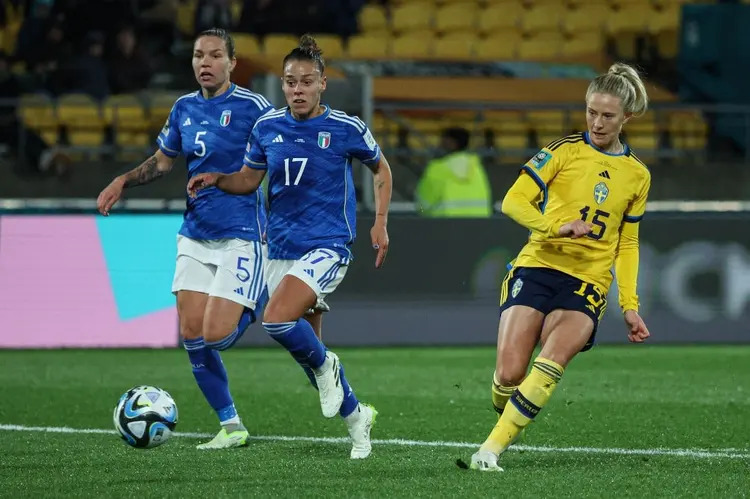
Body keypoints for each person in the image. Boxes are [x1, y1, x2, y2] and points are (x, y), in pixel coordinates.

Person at [187, 34, 393, 459]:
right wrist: (219, 179)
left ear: (322, 85)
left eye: (306, 82)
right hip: (279, 249)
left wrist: (381, 222)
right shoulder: (268, 127)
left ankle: (329, 367)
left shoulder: (345, 128)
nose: (297, 90)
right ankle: (358, 420)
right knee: (309, 361)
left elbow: (381, 168)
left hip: (327, 245)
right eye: (289, 83)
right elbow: (249, 179)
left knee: (278, 320)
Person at [466, 63, 652, 471]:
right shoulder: (563, 151)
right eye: (591, 112)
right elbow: (513, 201)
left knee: (551, 361)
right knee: (509, 376)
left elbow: (628, 241)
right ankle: (511, 411)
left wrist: (630, 303)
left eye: (607, 115)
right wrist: (556, 226)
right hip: (538, 265)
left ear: (627, 118)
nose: (597, 122)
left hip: (590, 281)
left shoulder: (638, 175)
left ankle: (489, 451)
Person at [96, 28, 273, 450]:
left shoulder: (254, 107)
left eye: (214, 55)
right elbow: (162, 161)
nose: (204, 63)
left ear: (232, 62)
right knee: (191, 332)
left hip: (242, 234)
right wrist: (123, 180)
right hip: (195, 233)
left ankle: (259, 301)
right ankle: (232, 426)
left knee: (216, 335)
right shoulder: (183, 108)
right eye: (198, 55)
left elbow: (278, 156)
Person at [415, 126, 492, 218]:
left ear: (451, 143)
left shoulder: (438, 169)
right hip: (480, 225)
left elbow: (423, 205)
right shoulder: (476, 168)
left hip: (446, 226)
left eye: (442, 142)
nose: (438, 146)